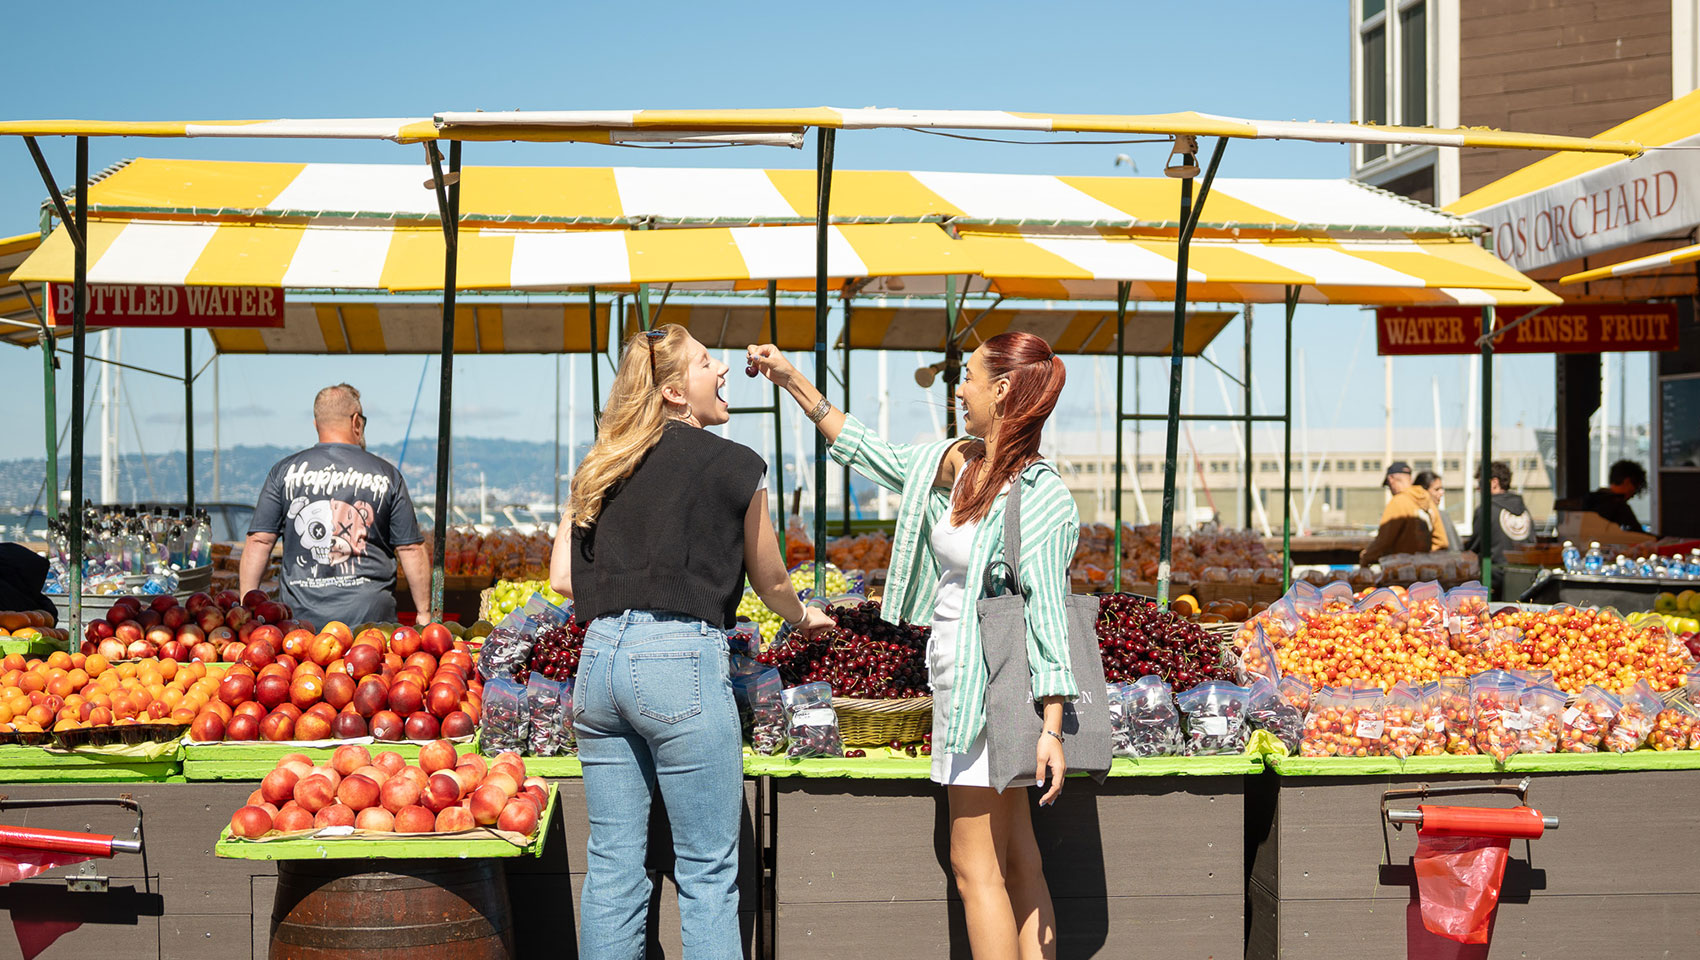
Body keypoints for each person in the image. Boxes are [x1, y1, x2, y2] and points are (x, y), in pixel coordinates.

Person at [749, 330, 1080, 960]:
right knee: (1016, 857)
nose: (959, 388)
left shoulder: (1042, 497)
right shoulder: (956, 466)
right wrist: (793, 380)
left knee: (973, 865)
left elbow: (1049, 616)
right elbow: (868, 450)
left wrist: (1054, 726)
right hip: (974, 681)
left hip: (988, 691)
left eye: (973, 378)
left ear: (1003, 391)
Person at [550, 324, 832, 959]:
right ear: (676, 392)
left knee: (614, 872)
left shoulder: (603, 461)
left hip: (598, 666)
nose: (724, 369)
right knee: (707, 874)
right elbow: (772, 578)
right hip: (679, 662)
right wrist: (803, 617)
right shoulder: (735, 464)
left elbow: (562, 578)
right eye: (708, 363)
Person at [241, 384, 430, 629]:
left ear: (316, 424)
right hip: (371, 626)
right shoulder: (386, 475)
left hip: (299, 627)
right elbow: (411, 549)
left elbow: (259, 541)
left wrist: (246, 608)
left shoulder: (283, 472)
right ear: (356, 422)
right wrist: (424, 614)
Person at [1465, 460, 1534, 597]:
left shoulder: (1486, 509)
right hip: (1526, 579)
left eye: (1480, 483)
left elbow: (1475, 546)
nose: (1478, 489)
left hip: (1495, 581)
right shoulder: (1523, 509)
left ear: (1494, 483)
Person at [1359, 461, 1446, 565]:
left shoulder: (1398, 502)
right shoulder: (1428, 501)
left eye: (1388, 486)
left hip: (1401, 570)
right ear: (1410, 479)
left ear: (1391, 479)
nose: (1390, 490)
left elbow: (1384, 541)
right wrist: (1424, 558)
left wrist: (1366, 557)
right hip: (1425, 570)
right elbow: (1442, 541)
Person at [1582, 459, 1648, 532]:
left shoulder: (1589, 500)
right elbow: (1637, 534)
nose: (1634, 493)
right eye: (1636, 486)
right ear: (1627, 482)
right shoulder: (1619, 506)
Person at [1415, 470, 1461, 551]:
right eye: (1436, 489)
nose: (1441, 493)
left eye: (1441, 489)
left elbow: (1455, 547)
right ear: (1423, 491)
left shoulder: (1442, 515)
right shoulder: (1413, 515)